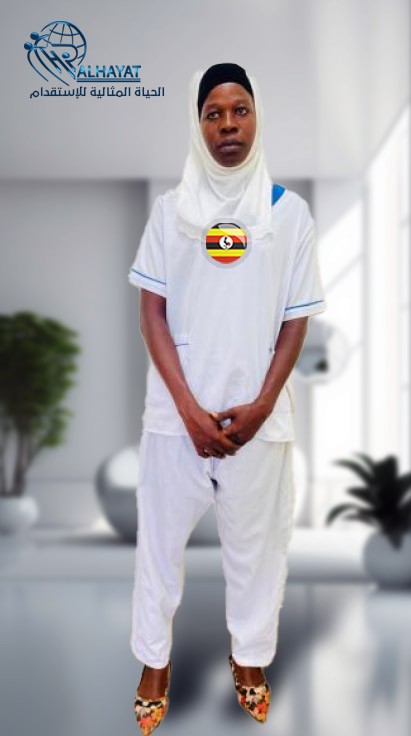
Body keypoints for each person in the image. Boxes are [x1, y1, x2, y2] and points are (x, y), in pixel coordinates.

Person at [129, 62, 327, 733]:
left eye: (239, 109)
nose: (227, 125)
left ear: (256, 116)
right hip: (174, 418)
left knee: (257, 550)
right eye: (212, 114)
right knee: (158, 549)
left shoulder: (287, 213)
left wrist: (263, 403)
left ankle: (249, 660)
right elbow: (151, 313)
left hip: (256, 420)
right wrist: (188, 410)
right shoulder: (171, 212)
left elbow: (295, 319)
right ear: (198, 125)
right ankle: (154, 664)